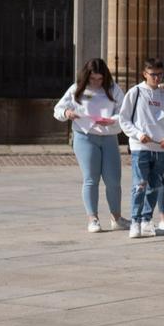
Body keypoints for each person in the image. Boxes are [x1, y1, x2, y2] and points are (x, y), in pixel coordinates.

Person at [53, 57, 124, 233]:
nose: (96, 82)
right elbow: (58, 109)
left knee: (113, 180)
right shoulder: (77, 88)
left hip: (108, 137)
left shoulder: (114, 89)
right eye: (93, 79)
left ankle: (117, 218)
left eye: (100, 79)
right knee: (91, 178)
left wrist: (112, 120)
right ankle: (93, 218)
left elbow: (124, 113)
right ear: (87, 76)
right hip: (85, 136)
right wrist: (67, 112)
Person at [118, 57, 164, 238]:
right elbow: (124, 119)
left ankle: (146, 220)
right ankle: (135, 221)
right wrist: (137, 134)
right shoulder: (135, 92)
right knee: (139, 184)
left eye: (160, 75)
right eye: (153, 75)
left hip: (159, 148)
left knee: (155, 186)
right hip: (140, 147)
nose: (156, 78)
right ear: (145, 74)